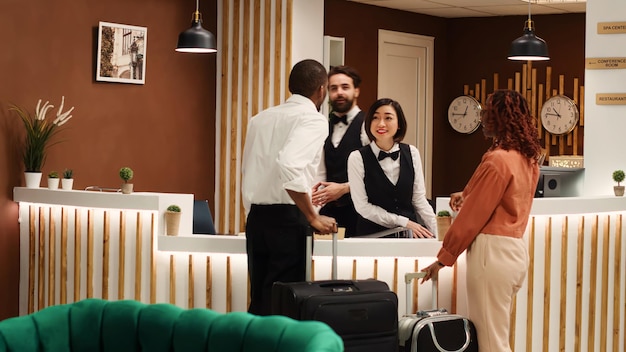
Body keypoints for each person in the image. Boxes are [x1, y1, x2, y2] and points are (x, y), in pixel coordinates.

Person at [420, 89, 542, 352]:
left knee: (492, 345)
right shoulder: (527, 159)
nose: (483, 116)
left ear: (498, 117)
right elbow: (503, 198)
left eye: (487, 111)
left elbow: (473, 217)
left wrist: (444, 258)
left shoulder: (498, 160)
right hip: (515, 252)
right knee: (497, 338)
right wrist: (467, 194)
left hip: (492, 255)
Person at [241, 59, 337, 316]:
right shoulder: (314, 120)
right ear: (321, 90)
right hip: (289, 219)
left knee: (260, 301)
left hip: (257, 219)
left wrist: (252, 214)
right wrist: (312, 216)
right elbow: (290, 166)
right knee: (286, 306)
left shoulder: (259, 119)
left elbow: (248, 170)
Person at [347, 98, 436, 238]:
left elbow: (419, 200)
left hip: (408, 238)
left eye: (388, 118)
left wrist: (439, 232)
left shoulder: (412, 153)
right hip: (372, 238)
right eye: (375, 118)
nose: (381, 123)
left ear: (399, 123)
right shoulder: (356, 158)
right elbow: (362, 207)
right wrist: (403, 222)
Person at [311, 65, 369, 237]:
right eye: (333, 88)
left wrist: (344, 188)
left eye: (345, 87)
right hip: (329, 214)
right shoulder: (324, 126)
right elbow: (320, 172)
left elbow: (377, 173)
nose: (339, 93)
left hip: (360, 213)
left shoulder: (367, 125)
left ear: (356, 91)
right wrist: (313, 213)